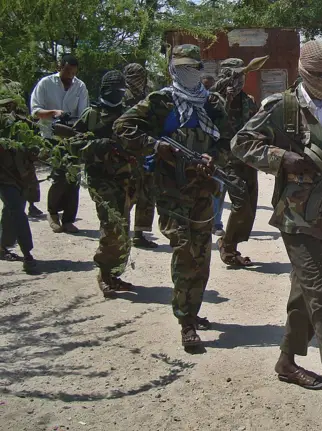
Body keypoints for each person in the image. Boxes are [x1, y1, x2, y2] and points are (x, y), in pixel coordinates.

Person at [231, 40, 322, 423]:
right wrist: (282, 159)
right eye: (318, 74)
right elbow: (241, 143)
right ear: (302, 72)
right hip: (296, 217)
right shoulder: (281, 108)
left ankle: (287, 360)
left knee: (304, 293)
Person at [114, 44, 230, 349]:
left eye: (193, 68)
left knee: (202, 254)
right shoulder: (160, 102)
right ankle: (186, 320)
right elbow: (123, 127)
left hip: (202, 189)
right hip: (169, 190)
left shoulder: (212, 104)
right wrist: (155, 146)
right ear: (171, 70)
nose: (188, 74)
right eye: (181, 68)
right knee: (183, 250)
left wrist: (213, 157)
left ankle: (192, 308)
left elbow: (230, 140)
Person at [71, 70, 146, 298]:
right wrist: (98, 145)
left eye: (121, 91)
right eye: (114, 91)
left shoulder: (127, 115)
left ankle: (114, 274)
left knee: (123, 228)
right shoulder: (91, 115)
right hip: (101, 179)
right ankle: (104, 274)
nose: (118, 95)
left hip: (125, 179)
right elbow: (73, 144)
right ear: (104, 90)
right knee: (112, 227)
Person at [30, 54, 89, 234]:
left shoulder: (80, 86)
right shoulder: (46, 84)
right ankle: (53, 213)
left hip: (72, 137)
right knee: (59, 176)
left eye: (73, 72)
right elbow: (35, 111)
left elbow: (84, 113)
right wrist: (54, 112)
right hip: (51, 136)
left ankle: (69, 219)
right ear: (60, 67)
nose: (70, 75)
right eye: (67, 71)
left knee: (73, 178)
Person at [214, 58, 260, 267]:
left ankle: (231, 244)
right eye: (234, 76)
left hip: (247, 159)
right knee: (241, 204)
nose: (239, 80)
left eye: (241, 76)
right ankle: (228, 246)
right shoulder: (214, 100)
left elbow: (258, 126)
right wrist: (226, 99)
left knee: (250, 206)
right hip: (226, 161)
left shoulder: (248, 100)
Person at [0, 80, 43, 274]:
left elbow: (35, 149)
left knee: (12, 210)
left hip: (21, 176)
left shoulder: (24, 123)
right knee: (17, 210)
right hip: (4, 176)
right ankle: (28, 255)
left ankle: (3, 246)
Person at [123, 63, 158, 249]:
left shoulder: (149, 95)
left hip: (148, 150)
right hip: (128, 151)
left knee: (147, 193)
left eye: (141, 75)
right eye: (134, 75)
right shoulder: (122, 96)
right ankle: (121, 231)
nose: (138, 79)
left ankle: (139, 233)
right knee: (128, 194)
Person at [201, 73, 226, 236]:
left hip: (217, 152)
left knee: (218, 188)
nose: (207, 89)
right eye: (205, 86)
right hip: (199, 151)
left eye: (210, 85)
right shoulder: (196, 101)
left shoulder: (219, 102)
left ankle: (216, 223)